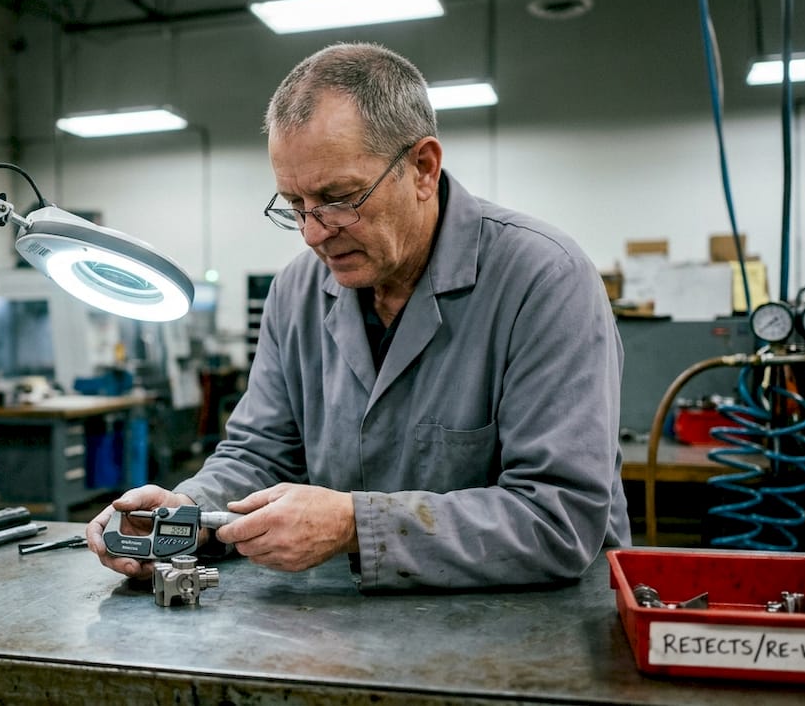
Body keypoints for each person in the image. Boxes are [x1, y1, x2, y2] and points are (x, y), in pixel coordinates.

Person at [86, 42, 630, 590]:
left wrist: (354, 524)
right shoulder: (297, 290)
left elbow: (558, 518)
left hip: (536, 632)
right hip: (355, 628)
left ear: (423, 168)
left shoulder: (543, 279)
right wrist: (186, 513)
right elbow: (261, 453)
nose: (314, 233)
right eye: (294, 206)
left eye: (340, 198)